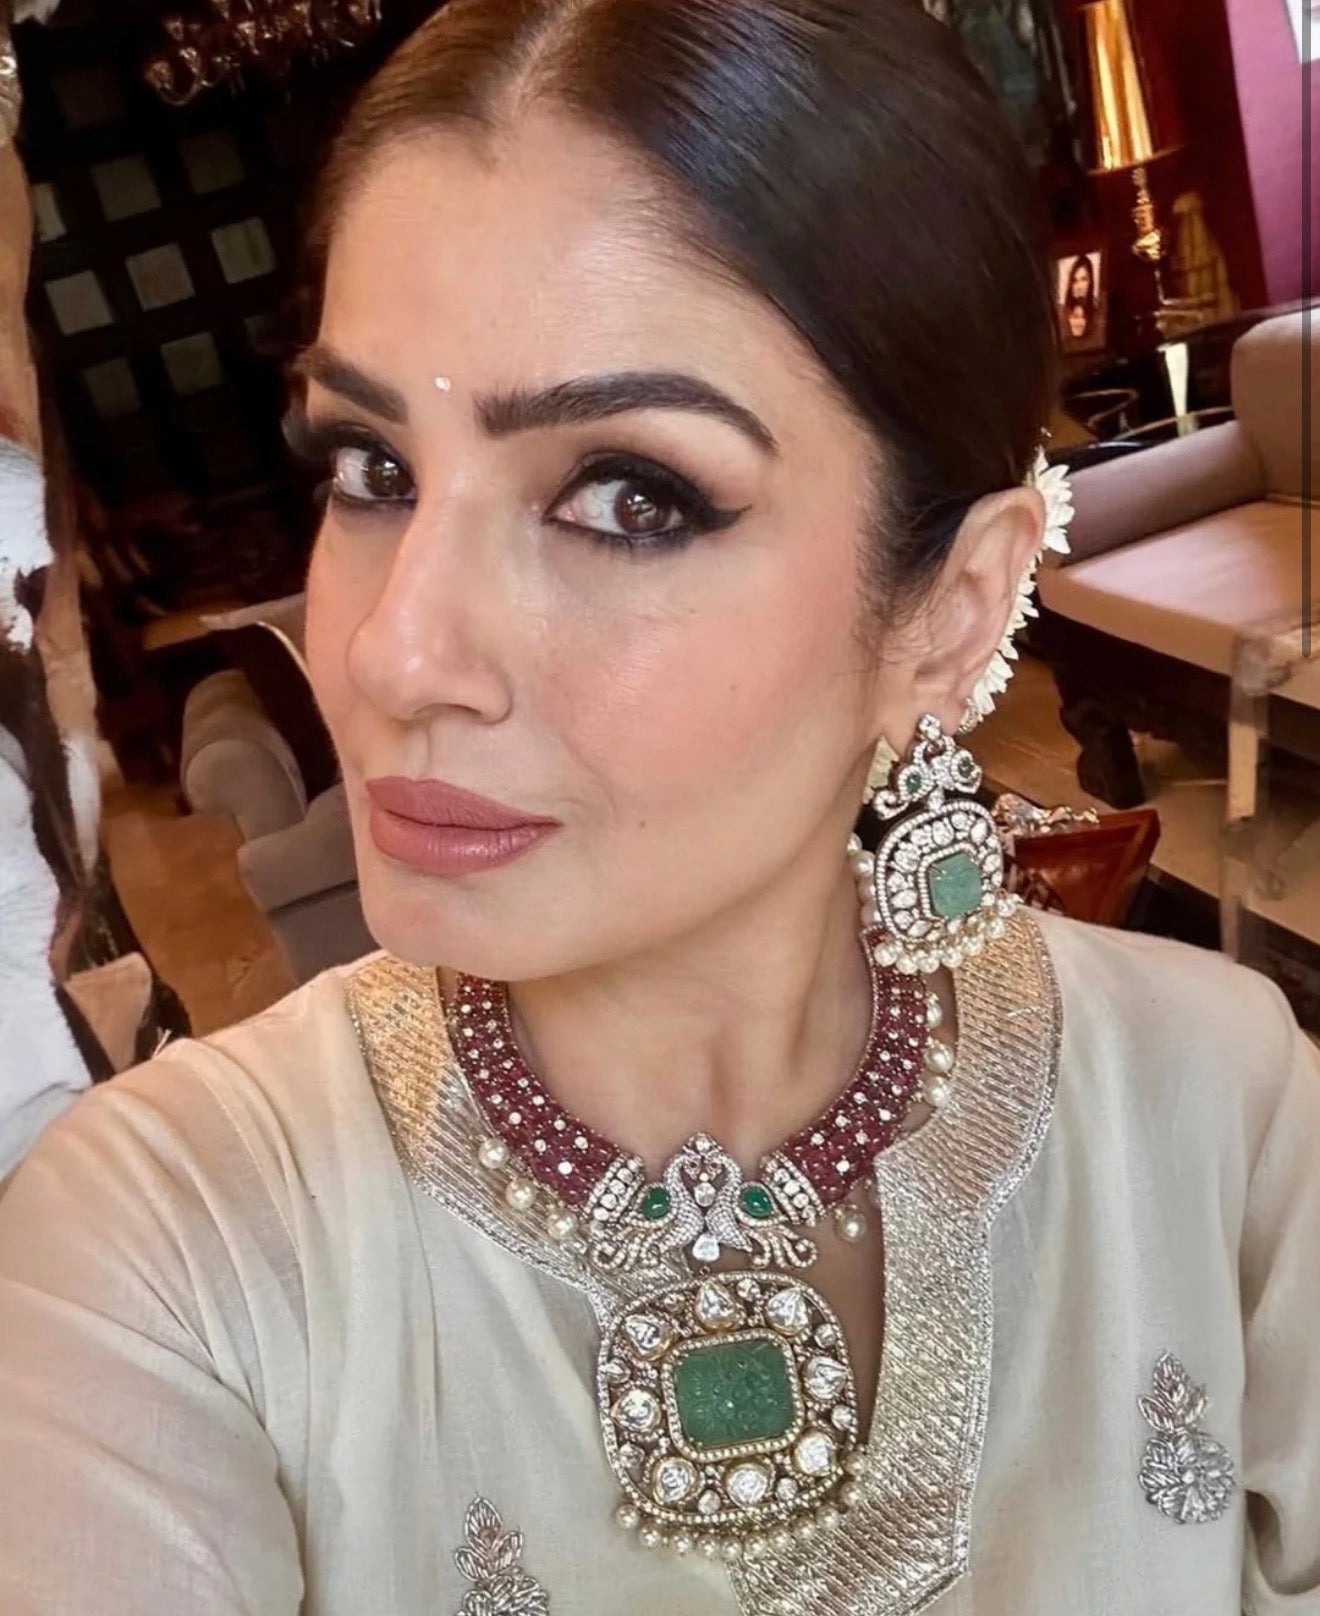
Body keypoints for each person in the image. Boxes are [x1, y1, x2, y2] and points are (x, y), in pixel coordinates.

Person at [0, 2, 1315, 1613]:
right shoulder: (162, 1250)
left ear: (954, 609)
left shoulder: (1225, 1114)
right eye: (370, 470)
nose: (395, 651)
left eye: (630, 497)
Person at [1061, 252, 1096, 343]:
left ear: (1090, 282)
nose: (1079, 286)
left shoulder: (1098, 313)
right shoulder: (1061, 312)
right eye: (1075, 280)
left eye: (1083, 279)